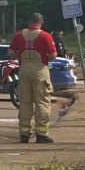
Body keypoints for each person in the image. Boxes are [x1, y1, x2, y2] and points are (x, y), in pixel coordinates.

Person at [8, 12, 56, 143]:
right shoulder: (45, 36)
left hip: (24, 70)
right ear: (41, 22)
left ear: (29, 21)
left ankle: (24, 133)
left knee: (25, 102)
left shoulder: (18, 35)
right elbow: (53, 55)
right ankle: (41, 134)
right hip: (40, 70)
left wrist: (21, 54)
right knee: (42, 102)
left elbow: (10, 53)